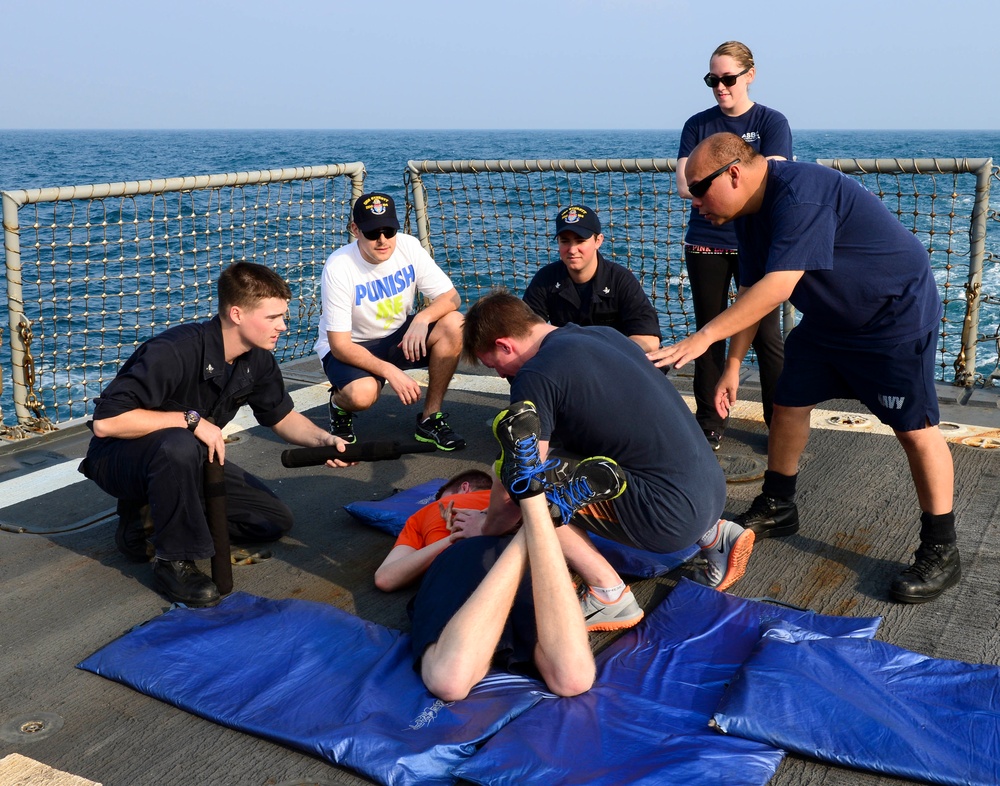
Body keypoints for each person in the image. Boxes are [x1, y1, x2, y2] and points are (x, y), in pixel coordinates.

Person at [649, 132, 959, 604]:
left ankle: (942, 548)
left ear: (732, 173)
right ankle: (778, 504)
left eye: (697, 189)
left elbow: (779, 285)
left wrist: (704, 337)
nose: (693, 203)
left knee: (914, 429)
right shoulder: (748, 213)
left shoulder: (800, 193)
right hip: (829, 323)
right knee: (789, 402)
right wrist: (732, 366)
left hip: (891, 317)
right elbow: (754, 294)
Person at [460, 291, 756, 632]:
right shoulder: (601, 334)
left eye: (494, 364)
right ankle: (716, 536)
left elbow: (523, 480)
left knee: (530, 488)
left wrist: (485, 528)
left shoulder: (535, 375)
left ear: (505, 344)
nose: (499, 375)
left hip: (669, 518)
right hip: (711, 493)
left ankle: (608, 594)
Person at [81, 262, 353, 607]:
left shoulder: (258, 360)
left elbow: (282, 417)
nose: (283, 326)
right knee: (178, 444)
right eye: (273, 318)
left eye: (283, 316)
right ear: (237, 313)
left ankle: (156, 518)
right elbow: (107, 422)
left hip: (189, 462)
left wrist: (324, 441)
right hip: (122, 460)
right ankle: (172, 560)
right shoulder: (174, 351)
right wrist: (190, 420)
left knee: (270, 521)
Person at [412, 403, 597, 701]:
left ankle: (533, 501)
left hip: (512, 558)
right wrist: (449, 540)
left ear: (462, 488)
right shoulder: (425, 518)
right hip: (479, 556)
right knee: (450, 680)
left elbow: (384, 576)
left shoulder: (446, 504)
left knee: (573, 679)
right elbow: (388, 576)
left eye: (440, 496)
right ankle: (540, 509)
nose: (438, 501)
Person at [676, 41, 790, 451]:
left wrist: (715, 184)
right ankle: (709, 421)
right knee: (709, 331)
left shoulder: (771, 121)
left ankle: (778, 421)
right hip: (705, 241)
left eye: (728, 78)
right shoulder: (697, 124)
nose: (720, 87)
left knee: (766, 335)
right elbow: (685, 185)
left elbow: (775, 179)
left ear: (750, 75)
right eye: (713, 80)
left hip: (756, 243)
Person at [315, 192, 466, 450]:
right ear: (355, 229)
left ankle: (430, 418)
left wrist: (422, 317)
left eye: (389, 230)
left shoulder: (408, 246)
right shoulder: (339, 266)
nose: (383, 240)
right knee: (362, 395)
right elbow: (339, 344)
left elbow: (452, 297)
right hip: (353, 345)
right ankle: (339, 406)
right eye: (373, 232)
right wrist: (389, 370)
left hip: (398, 336)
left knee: (455, 323)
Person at [522, 204, 662, 352]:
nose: (572, 250)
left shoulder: (620, 280)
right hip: (567, 358)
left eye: (580, 241)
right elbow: (525, 332)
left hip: (614, 360)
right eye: (565, 241)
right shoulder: (546, 279)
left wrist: (597, 352)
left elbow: (650, 339)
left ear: (598, 241)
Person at [374, 469, 492, 592]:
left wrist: (452, 539)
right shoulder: (508, 500)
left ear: (465, 487)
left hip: (465, 588)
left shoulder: (427, 512)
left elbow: (385, 578)